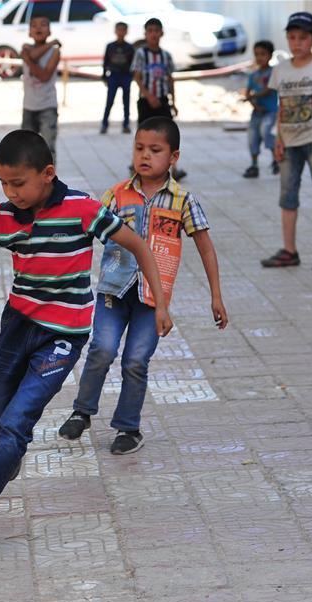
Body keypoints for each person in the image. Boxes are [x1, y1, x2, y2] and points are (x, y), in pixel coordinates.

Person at [0, 130, 172, 545]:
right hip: (18, 325)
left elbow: (138, 245)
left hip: (65, 334)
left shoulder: (82, 209)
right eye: (3, 183)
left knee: (16, 423)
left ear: (47, 174)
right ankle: (9, 454)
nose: (11, 192)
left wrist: (159, 302)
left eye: (18, 183)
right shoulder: (3, 217)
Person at [58, 117, 228, 453]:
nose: (145, 156)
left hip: (154, 300)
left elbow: (205, 247)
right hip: (113, 291)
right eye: (139, 148)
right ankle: (82, 410)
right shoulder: (117, 195)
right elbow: (87, 230)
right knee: (102, 349)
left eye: (155, 150)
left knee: (136, 360)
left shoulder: (182, 201)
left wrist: (216, 296)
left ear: (173, 157)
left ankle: (128, 428)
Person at [260, 12, 312, 274]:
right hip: (289, 143)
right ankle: (289, 251)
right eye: (292, 37)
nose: (297, 43)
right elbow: (281, 106)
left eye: (303, 38)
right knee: (287, 197)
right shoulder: (281, 70)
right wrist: (278, 138)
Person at [131, 18, 186, 181]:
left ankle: (173, 168)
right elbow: (137, 77)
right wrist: (149, 96)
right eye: (150, 31)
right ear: (145, 34)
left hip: (162, 100)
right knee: (143, 134)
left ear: (161, 33)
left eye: (156, 31)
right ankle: (139, 167)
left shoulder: (166, 56)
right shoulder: (141, 54)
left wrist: (173, 102)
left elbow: (170, 79)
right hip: (146, 101)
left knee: (168, 134)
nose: (153, 34)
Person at [20, 15, 61, 160]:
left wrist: (28, 61)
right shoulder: (26, 47)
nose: (38, 28)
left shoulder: (55, 52)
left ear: (49, 31)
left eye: (43, 25)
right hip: (29, 106)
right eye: (34, 25)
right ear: (29, 32)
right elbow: (33, 54)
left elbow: (44, 76)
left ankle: (50, 180)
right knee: (26, 148)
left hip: (47, 106)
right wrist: (51, 43)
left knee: (48, 147)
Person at [243, 40, 279, 178]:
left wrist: (252, 96)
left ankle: (276, 159)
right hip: (257, 112)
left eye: (263, 54)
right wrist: (254, 104)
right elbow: (248, 92)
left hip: (270, 111)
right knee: (252, 137)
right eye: (257, 54)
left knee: (267, 133)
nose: (259, 57)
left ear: (270, 56)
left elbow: (268, 90)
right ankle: (254, 165)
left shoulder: (273, 73)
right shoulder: (253, 75)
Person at [101, 22, 134, 135]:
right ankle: (104, 124)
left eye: (123, 30)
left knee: (126, 102)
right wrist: (104, 75)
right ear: (115, 31)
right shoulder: (110, 46)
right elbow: (105, 62)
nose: (121, 32)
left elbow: (132, 64)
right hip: (114, 75)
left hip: (125, 75)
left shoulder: (130, 47)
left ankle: (126, 124)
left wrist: (131, 76)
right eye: (119, 30)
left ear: (126, 31)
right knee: (109, 101)